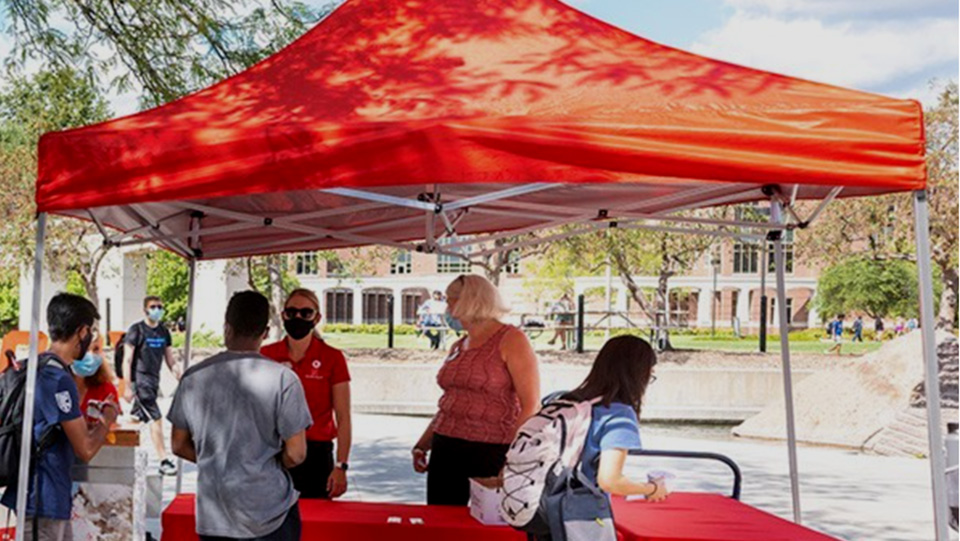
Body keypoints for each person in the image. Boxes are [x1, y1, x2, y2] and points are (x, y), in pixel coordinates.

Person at [169, 291, 312, 541]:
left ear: (227, 327)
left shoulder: (193, 378)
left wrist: (216, 459)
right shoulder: (283, 379)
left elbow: (179, 444)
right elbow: (297, 453)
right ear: (265, 333)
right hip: (269, 511)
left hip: (215, 514)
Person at [412, 275, 540, 505]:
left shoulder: (512, 340)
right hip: (446, 447)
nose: (448, 308)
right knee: (443, 524)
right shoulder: (459, 345)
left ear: (470, 301)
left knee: (484, 525)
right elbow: (451, 403)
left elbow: (530, 404)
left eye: (452, 300)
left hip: (491, 449)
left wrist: (512, 456)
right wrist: (423, 444)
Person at [1, 293, 119, 541]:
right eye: (92, 333)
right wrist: (107, 418)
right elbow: (85, 448)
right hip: (42, 498)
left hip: (41, 497)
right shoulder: (57, 379)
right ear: (82, 331)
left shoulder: (35, 366)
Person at [261, 288, 352, 499]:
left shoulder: (333, 358)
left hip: (316, 454)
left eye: (306, 313)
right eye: (291, 312)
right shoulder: (266, 355)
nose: (298, 317)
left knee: (314, 525)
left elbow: (343, 416)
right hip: (274, 452)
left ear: (317, 317)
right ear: (283, 315)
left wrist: (341, 466)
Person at [564, 336, 668, 503]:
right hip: (579, 512)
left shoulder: (565, 401)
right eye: (650, 374)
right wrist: (652, 489)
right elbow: (610, 480)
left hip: (539, 506)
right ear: (638, 374)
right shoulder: (619, 415)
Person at [121, 296, 182, 476]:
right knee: (155, 417)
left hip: (154, 382)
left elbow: (170, 359)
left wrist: (180, 376)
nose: (157, 309)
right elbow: (127, 359)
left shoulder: (163, 332)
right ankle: (164, 460)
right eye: (153, 307)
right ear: (145, 310)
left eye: (160, 307)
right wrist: (127, 385)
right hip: (141, 382)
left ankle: (122, 457)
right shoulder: (136, 330)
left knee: (136, 419)